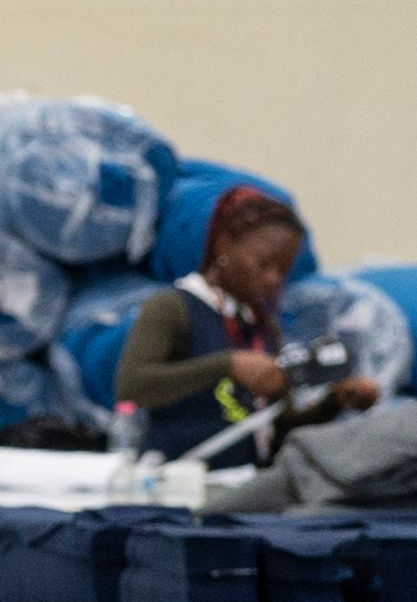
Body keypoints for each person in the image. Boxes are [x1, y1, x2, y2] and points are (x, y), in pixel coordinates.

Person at [118, 186, 378, 441]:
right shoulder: (172, 307)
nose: (273, 279)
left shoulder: (259, 324)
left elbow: (275, 429)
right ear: (223, 246)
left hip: (245, 479)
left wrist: (334, 403)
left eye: (283, 269)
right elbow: (132, 387)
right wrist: (227, 365)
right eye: (264, 264)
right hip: (180, 476)